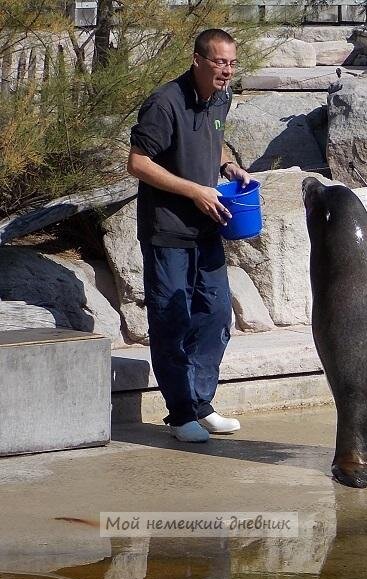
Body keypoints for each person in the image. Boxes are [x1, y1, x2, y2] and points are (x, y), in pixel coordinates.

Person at [127, 28, 250, 443]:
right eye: (219, 62)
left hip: (208, 226)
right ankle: (180, 414)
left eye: (232, 63)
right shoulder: (164, 103)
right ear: (197, 60)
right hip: (168, 230)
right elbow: (139, 164)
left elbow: (211, 142)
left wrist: (229, 165)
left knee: (216, 315)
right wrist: (194, 190)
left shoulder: (221, 97)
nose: (227, 71)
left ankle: (200, 403)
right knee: (171, 319)